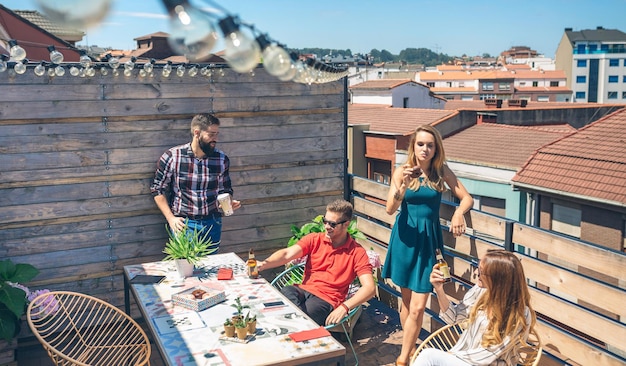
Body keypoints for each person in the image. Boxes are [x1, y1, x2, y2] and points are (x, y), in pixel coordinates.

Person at [382, 125, 474, 366]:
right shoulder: (401, 171)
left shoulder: (441, 171)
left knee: (419, 306)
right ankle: (410, 351)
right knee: (406, 301)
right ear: (413, 146)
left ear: (436, 149)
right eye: (420, 144)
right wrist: (402, 188)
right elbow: (390, 209)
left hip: (429, 242)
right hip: (405, 239)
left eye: (430, 145)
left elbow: (467, 198)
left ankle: (402, 360)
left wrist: (458, 214)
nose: (425, 149)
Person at [256, 199, 377, 326]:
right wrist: (264, 264)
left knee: (298, 314)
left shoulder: (357, 252)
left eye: (332, 224)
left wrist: (345, 307)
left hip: (327, 299)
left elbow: (369, 288)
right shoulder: (314, 239)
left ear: (346, 224)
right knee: (286, 293)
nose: (326, 226)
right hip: (303, 290)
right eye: (325, 221)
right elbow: (287, 254)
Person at [412, 250, 537, 365]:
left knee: (428, 356)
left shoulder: (518, 314)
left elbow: (487, 356)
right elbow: (453, 317)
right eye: (477, 268)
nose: (476, 273)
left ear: (498, 279)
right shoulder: (481, 291)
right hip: (464, 359)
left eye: (481, 271)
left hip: (483, 363)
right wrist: (439, 289)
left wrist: (451, 356)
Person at [150, 113, 241, 253]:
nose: (215, 139)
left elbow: (225, 188)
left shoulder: (221, 159)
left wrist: (228, 203)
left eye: (217, 134)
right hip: (185, 224)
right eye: (211, 134)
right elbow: (157, 189)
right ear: (197, 133)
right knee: (187, 271)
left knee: (211, 269)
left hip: (213, 222)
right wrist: (171, 218)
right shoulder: (173, 156)